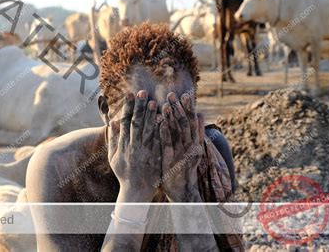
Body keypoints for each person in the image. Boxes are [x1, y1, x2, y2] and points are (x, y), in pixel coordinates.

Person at [26, 23, 242, 251]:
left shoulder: (210, 154)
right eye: (142, 120)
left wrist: (185, 193)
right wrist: (134, 191)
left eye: (177, 118)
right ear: (106, 112)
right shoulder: (60, 167)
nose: (160, 138)